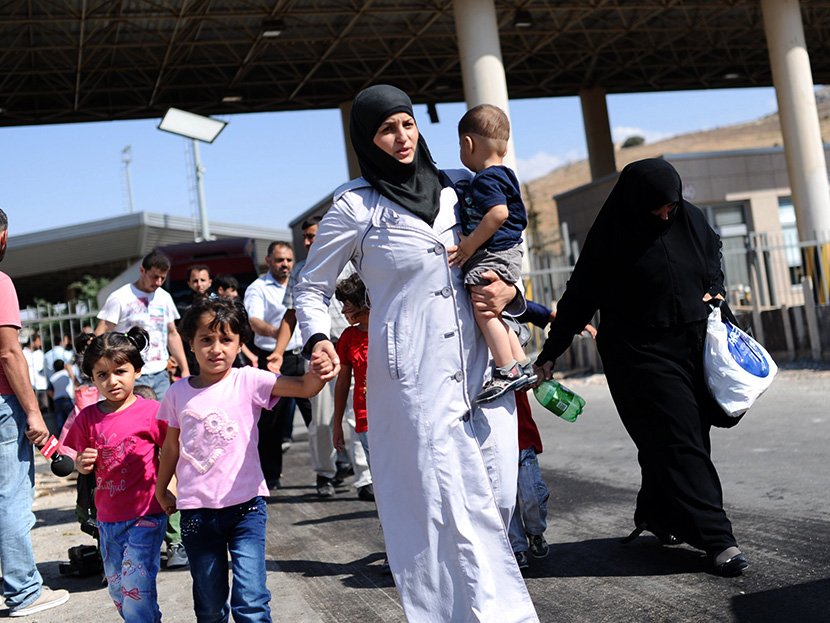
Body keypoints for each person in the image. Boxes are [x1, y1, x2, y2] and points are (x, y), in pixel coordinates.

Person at [294, 85, 539, 622]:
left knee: (495, 500)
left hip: (481, 369)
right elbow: (311, 287)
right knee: (442, 507)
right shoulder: (355, 205)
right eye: (387, 129)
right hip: (413, 378)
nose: (402, 137)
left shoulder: (460, 189)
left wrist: (513, 297)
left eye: (408, 124)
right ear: (367, 137)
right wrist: (315, 338)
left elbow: (502, 260)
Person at [534, 158, 748, 577]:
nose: (666, 215)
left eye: (671, 206)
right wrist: (550, 353)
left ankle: (660, 513)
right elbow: (579, 297)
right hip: (639, 352)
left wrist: (715, 290)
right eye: (657, 209)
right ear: (636, 203)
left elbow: (712, 254)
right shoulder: (612, 236)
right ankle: (719, 539)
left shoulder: (689, 218)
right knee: (678, 437)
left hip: (692, 342)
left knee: (685, 436)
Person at [154, 296, 329, 623]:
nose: (216, 348)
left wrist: (318, 369)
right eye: (206, 339)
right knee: (209, 606)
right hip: (196, 513)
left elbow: (305, 388)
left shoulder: (250, 379)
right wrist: (161, 488)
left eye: (226, 339)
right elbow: (171, 447)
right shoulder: (177, 393)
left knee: (250, 601)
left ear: (240, 344)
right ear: (190, 344)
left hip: (246, 508)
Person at [63, 327, 167, 622]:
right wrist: (83, 464)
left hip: (147, 514)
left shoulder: (153, 412)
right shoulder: (87, 418)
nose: (113, 381)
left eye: (121, 371)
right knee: (119, 590)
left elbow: (172, 454)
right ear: (92, 378)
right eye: (102, 375)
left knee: (136, 587)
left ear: (137, 370)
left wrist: (170, 488)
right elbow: (79, 463)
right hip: (108, 519)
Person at [95, 249, 189, 569]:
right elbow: (101, 337)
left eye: (163, 278)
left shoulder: (164, 298)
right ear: (142, 270)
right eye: (153, 277)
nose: (157, 283)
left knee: (169, 449)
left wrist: (185, 371)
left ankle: (175, 538)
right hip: (128, 381)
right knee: (131, 453)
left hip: (160, 377)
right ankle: (124, 534)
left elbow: (173, 334)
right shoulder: (119, 297)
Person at [0, 207, 70, 616]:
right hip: (2, 403)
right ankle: (24, 591)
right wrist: (34, 412)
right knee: (10, 497)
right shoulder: (1, 282)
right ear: (4, 238)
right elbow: (8, 352)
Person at [274, 217, 370, 498]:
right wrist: (278, 353)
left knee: (360, 414)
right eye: (304, 236)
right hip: (321, 352)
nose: (307, 241)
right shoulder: (301, 270)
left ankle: (365, 478)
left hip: (357, 347)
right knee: (324, 418)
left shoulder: (354, 262)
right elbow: (291, 314)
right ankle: (325, 474)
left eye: (312, 235)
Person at [448, 104, 532, 403]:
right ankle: (521, 361)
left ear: (467, 143)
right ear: (505, 147)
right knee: (496, 311)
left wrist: (469, 244)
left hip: (493, 253)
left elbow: (498, 213)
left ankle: (505, 368)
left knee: (484, 311)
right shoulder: (505, 174)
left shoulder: (484, 179)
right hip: (509, 252)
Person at [243, 241, 304, 490]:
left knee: (319, 416)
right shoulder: (258, 288)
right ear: (268, 261)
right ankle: (270, 476)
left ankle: (332, 470)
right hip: (273, 357)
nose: (286, 265)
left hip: (304, 355)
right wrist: (278, 333)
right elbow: (254, 321)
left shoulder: (302, 281)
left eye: (289, 260)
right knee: (271, 422)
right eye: (280, 260)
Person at [331, 273, 373, 500]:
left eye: (346, 305)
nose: (343, 311)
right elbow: (343, 382)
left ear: (364, 303)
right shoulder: (347, 337)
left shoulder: (388, 329)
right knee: (381, 483)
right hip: (365, 419)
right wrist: (337, 424)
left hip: (394, 420)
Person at [23, 331, 49, 413]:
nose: (40, 343)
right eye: (38, 341)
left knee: (44, 407)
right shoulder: (23, 353)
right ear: (32, 342)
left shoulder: (40, 353)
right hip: (29, 386)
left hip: (41, 385)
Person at [48, 359, 75, 429]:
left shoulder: (52, 377)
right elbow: (75, 381)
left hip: (57, 401)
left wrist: (54, 397)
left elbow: (49, 391)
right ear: (64, 366)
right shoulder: (67, 374)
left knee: (61, 423)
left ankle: (62, 438)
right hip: (67, 399)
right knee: (72, 421)